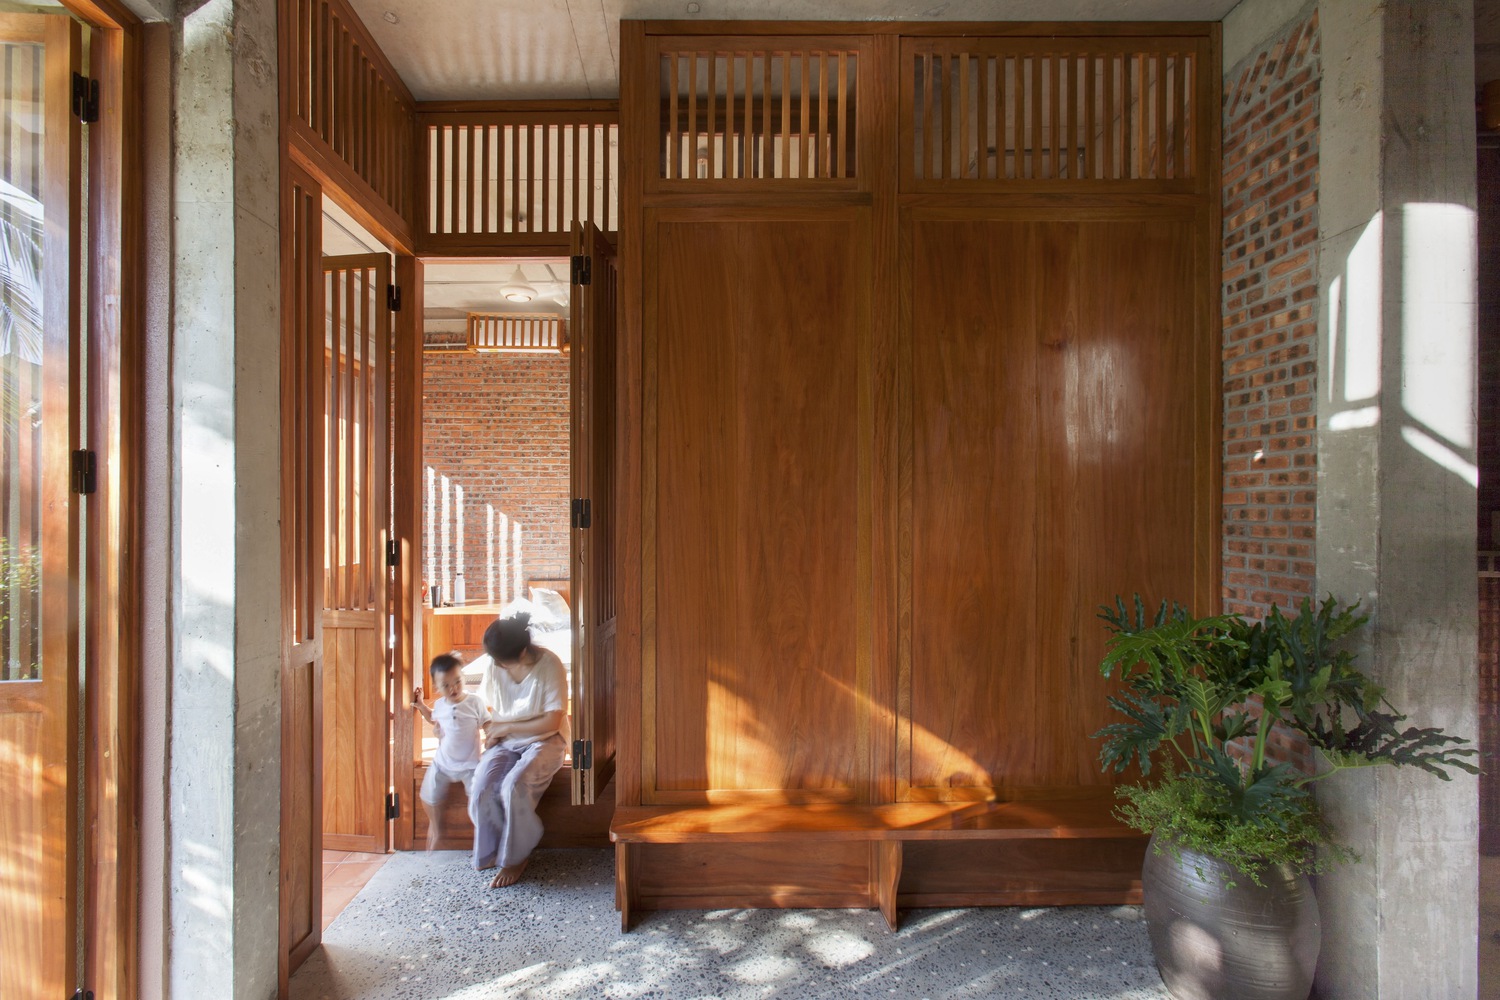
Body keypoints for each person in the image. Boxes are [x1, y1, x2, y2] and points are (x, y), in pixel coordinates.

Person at [469, 612, 568, 887]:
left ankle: (515, 857)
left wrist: (506, 726)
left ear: (523, 651)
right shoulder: (495, 664)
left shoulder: (549, 665)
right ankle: (491, 849)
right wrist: (491, 731)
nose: (498, 665)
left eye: (503, 660)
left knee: (514, 786)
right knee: (482, 786)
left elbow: (552, 721)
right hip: (506, 739)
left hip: (547, 739)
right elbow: (488, 708)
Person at [412, 653, 488, 852]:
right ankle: (435, 827)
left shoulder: (474, 702)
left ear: (464, 678)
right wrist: (421, 705)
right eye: (446, 685)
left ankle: (484, 836)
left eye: (457, 682)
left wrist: (491, 737)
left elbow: (487, 721)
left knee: (479, 800)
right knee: (428, 795)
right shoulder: (440, 705)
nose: (453, 688)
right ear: (437, 687)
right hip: (443, 763)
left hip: (471, 765)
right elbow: (433, 718)